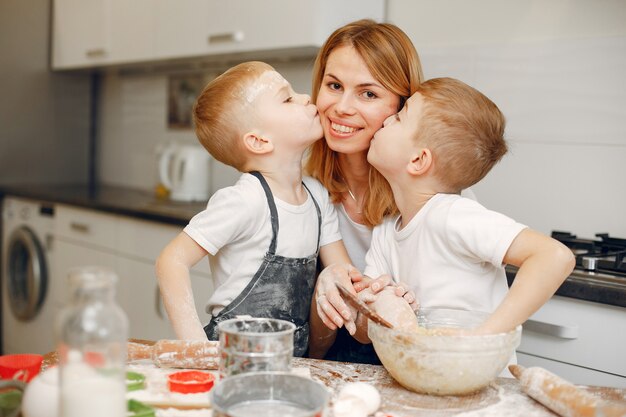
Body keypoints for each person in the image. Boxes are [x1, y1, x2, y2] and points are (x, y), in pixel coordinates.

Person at [156, 61, 356, 357]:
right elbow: (171, 261)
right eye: (288, 98)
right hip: (232, 361)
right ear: (259, 141)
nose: (306, 98)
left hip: (291, 363)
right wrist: (198, 351)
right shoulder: (245, 201)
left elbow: (342, 275)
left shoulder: (317, 196)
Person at [359, 77, 575, 340]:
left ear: (418, 159)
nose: (387, 119)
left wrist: (482, 338)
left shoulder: (452, 216)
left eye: (400, 117)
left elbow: (554, 256)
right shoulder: (385, 230)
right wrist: (381, 301)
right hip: (424, 377)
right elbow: (362, 332)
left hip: (482, 378)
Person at [305, 19, 424, 362]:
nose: (342, 107)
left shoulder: (428, 199)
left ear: (402, 106)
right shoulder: (306, 193)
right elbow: (317, 346)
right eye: (334, 85)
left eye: (368, 93)